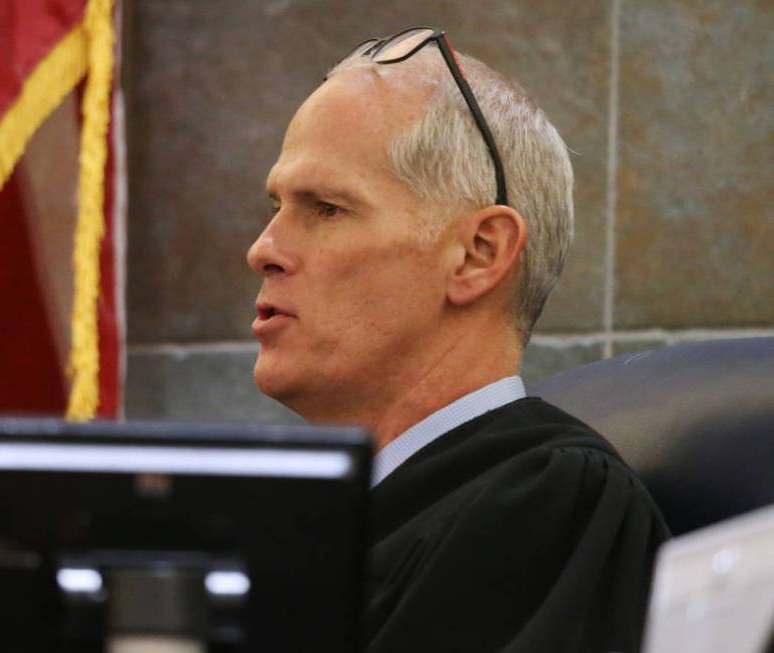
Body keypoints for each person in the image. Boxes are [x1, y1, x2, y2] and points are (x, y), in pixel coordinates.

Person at [246, 27, 670, 653]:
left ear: (477, 255)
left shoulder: (551, 504)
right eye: (276, 206)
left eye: (326, 208)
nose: (263, 250)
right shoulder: (305, 526)